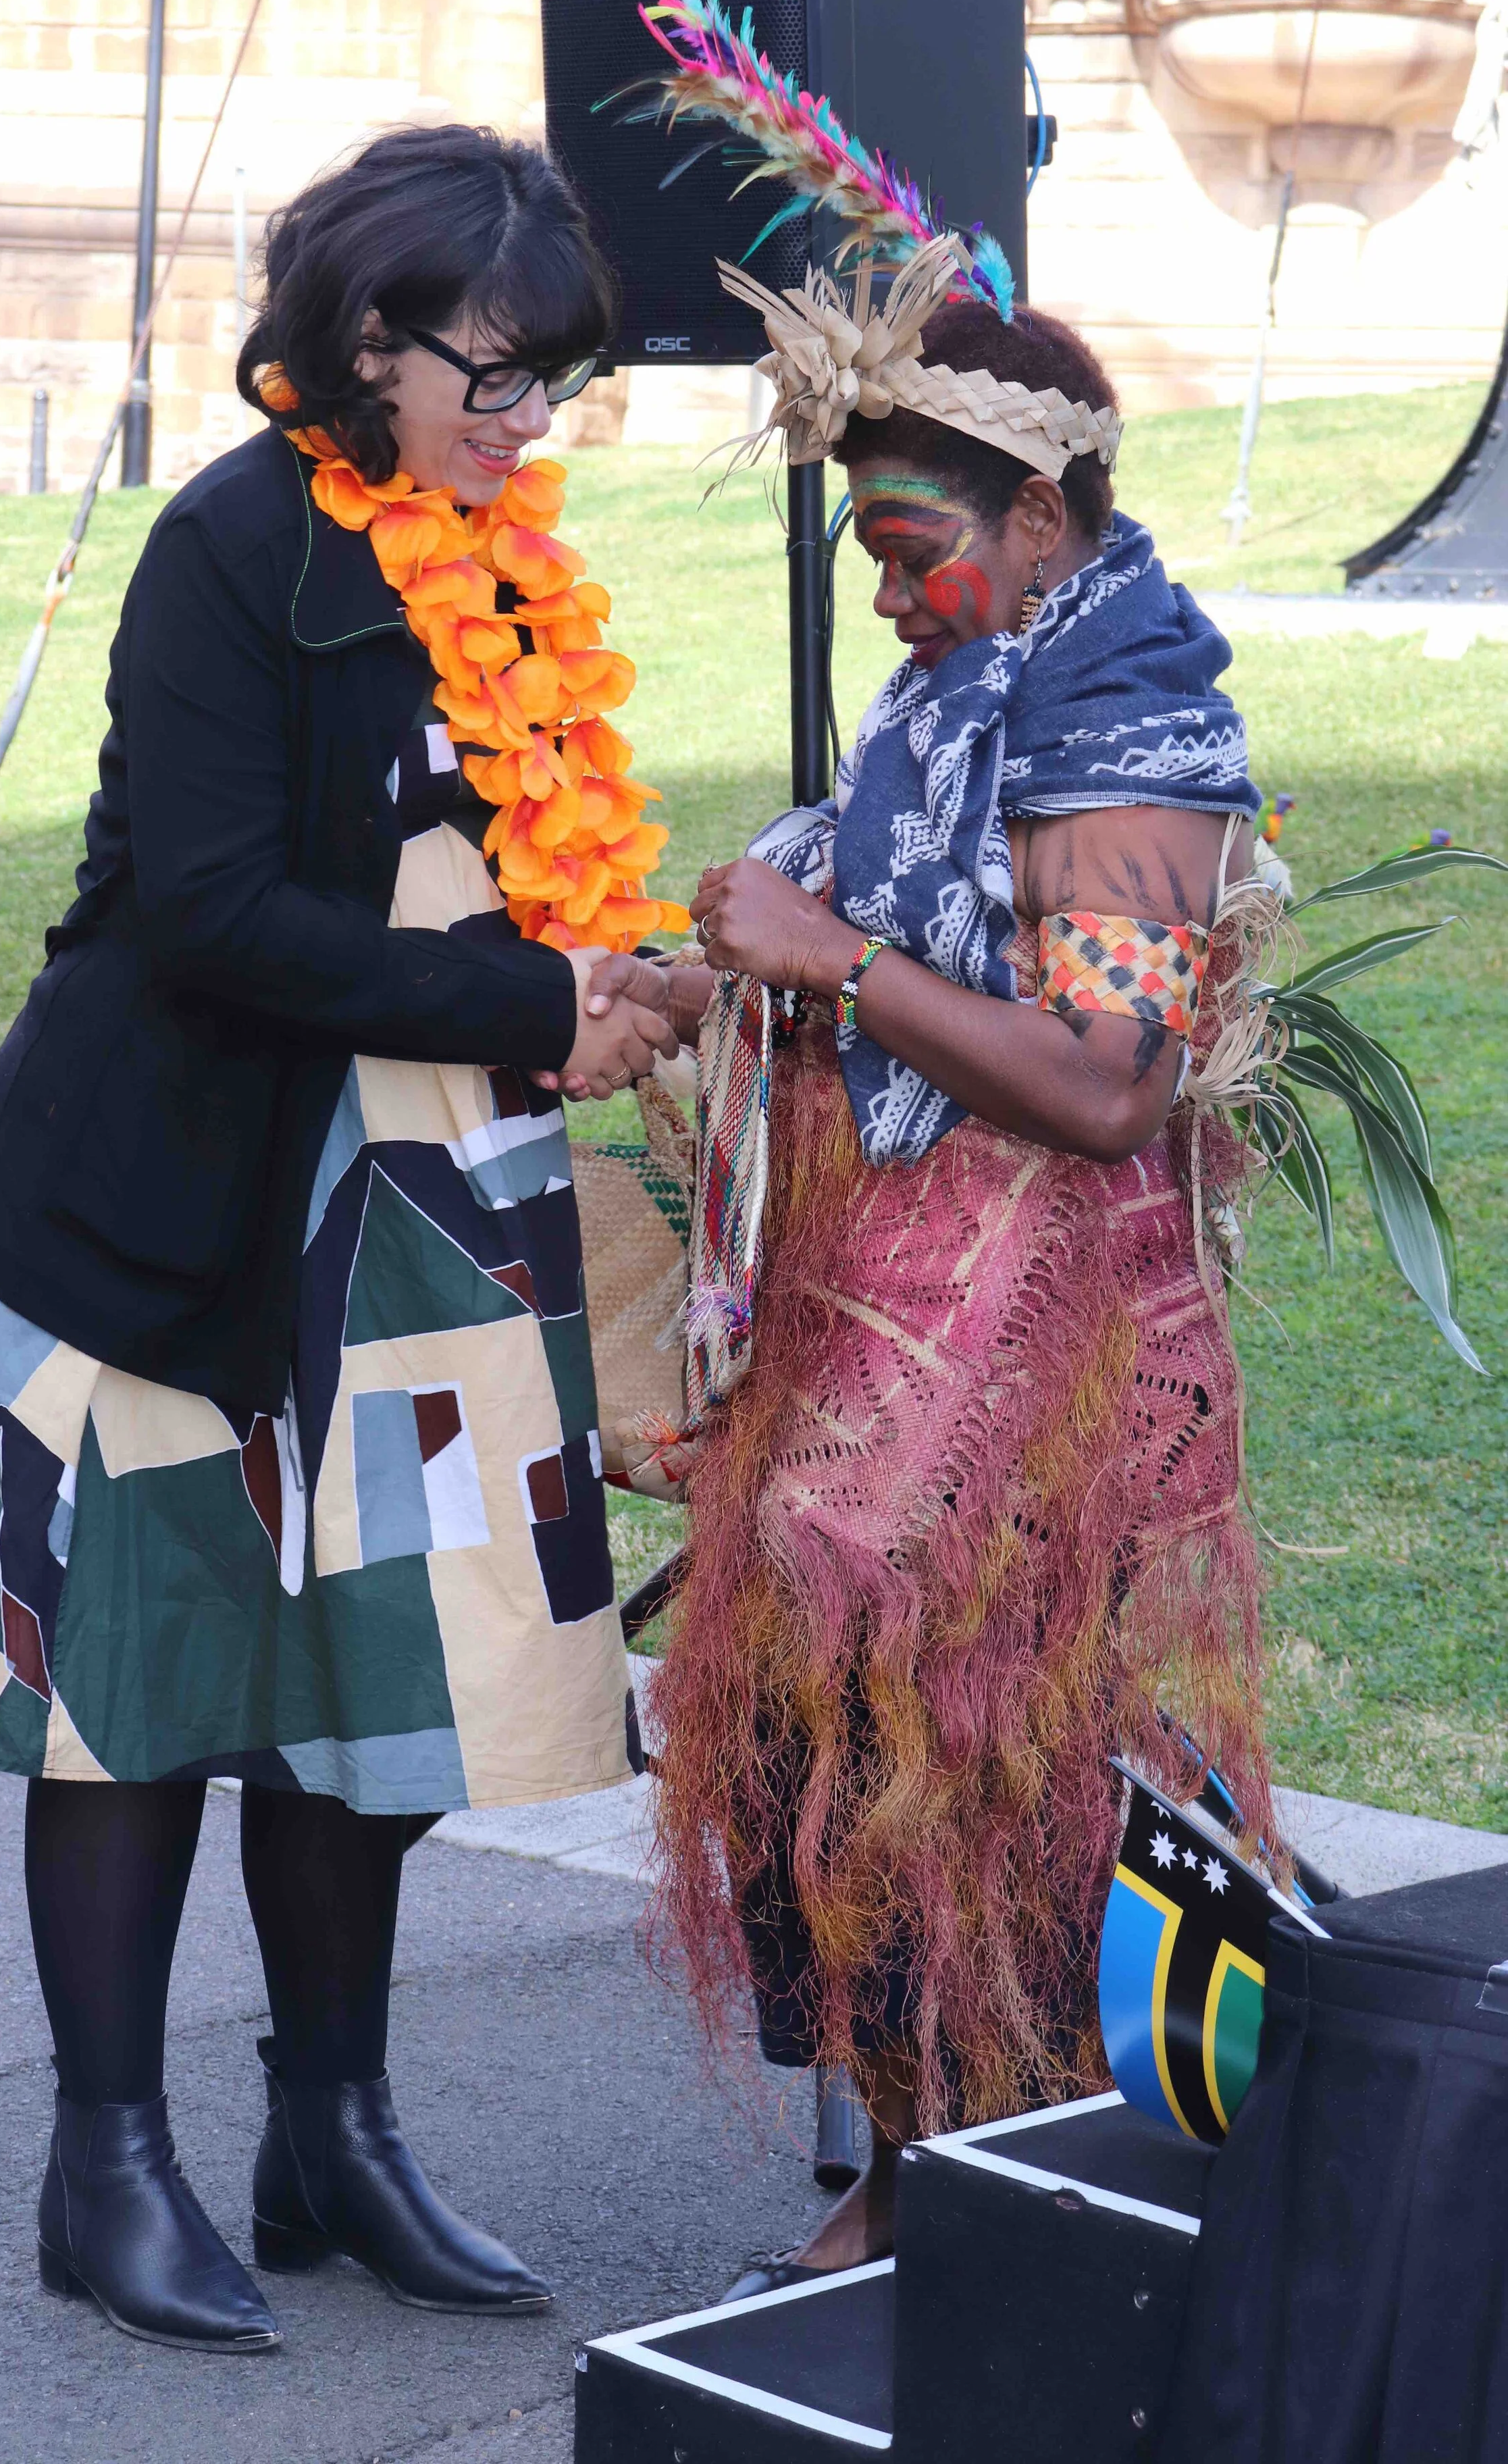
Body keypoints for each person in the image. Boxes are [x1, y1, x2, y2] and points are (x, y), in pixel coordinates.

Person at [0, 124, 678, 2353]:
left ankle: (335, 2129)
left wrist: (618, 973)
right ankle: (101, 2162)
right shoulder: (232, 548)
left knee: (374, 1684)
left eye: (550, 391)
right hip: (179, 1193)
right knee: (140, 1686)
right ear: (356, 337)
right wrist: (533, 997)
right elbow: (208, 914)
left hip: (426, 1200)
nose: (518, 428)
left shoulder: (493, 555)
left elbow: (507, 845)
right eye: (488, 381)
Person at [653, 245, 1278, 2299]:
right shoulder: (959, 704)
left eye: (917, 548)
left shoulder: (1126, 739)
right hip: (903, 1300)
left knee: (952, 1734)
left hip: (1045, 1336)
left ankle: (962, 2181)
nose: (890, 595)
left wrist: (832, 960)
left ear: (1039, 517)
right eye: (865, 553)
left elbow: (1106, 1083)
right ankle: (931, 2153)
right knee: (811, 1703)